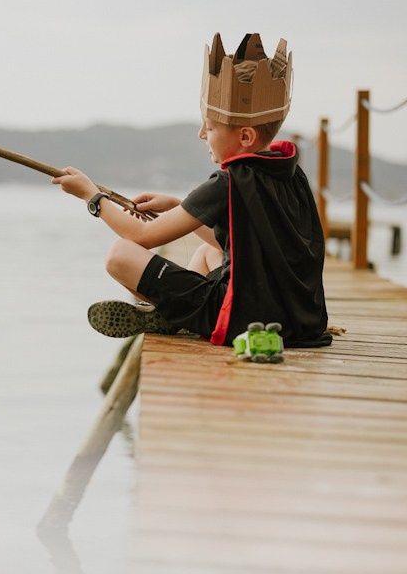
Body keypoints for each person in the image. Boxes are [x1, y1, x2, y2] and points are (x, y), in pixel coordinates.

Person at [51, 32, 332, 349]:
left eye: (210, 127)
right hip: (299, 321)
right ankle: (176, 315)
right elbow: (244, 243)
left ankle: (177, 315)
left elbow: (140, 237)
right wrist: (177, 206)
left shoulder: (229, 181)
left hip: (245, 320)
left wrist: (92, 197)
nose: (201, 134)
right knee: (208, 253)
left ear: (245, 137)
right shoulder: (290, 174)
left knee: (119, 254)